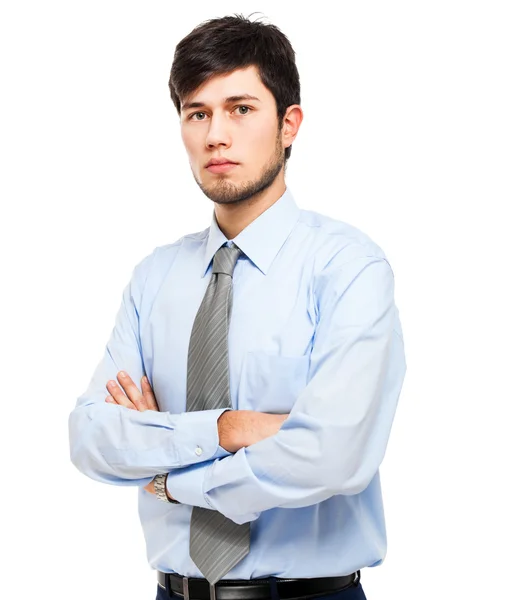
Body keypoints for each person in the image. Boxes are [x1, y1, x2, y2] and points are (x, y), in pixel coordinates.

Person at [68, 13, 406, 600]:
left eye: (241, 109)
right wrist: (234, 429)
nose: (215, 135)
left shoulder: (349, 268)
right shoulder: (156, 278)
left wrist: (171, 470)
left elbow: (332, 456)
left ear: (289, 124)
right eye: (197, 113)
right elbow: (92, 437)